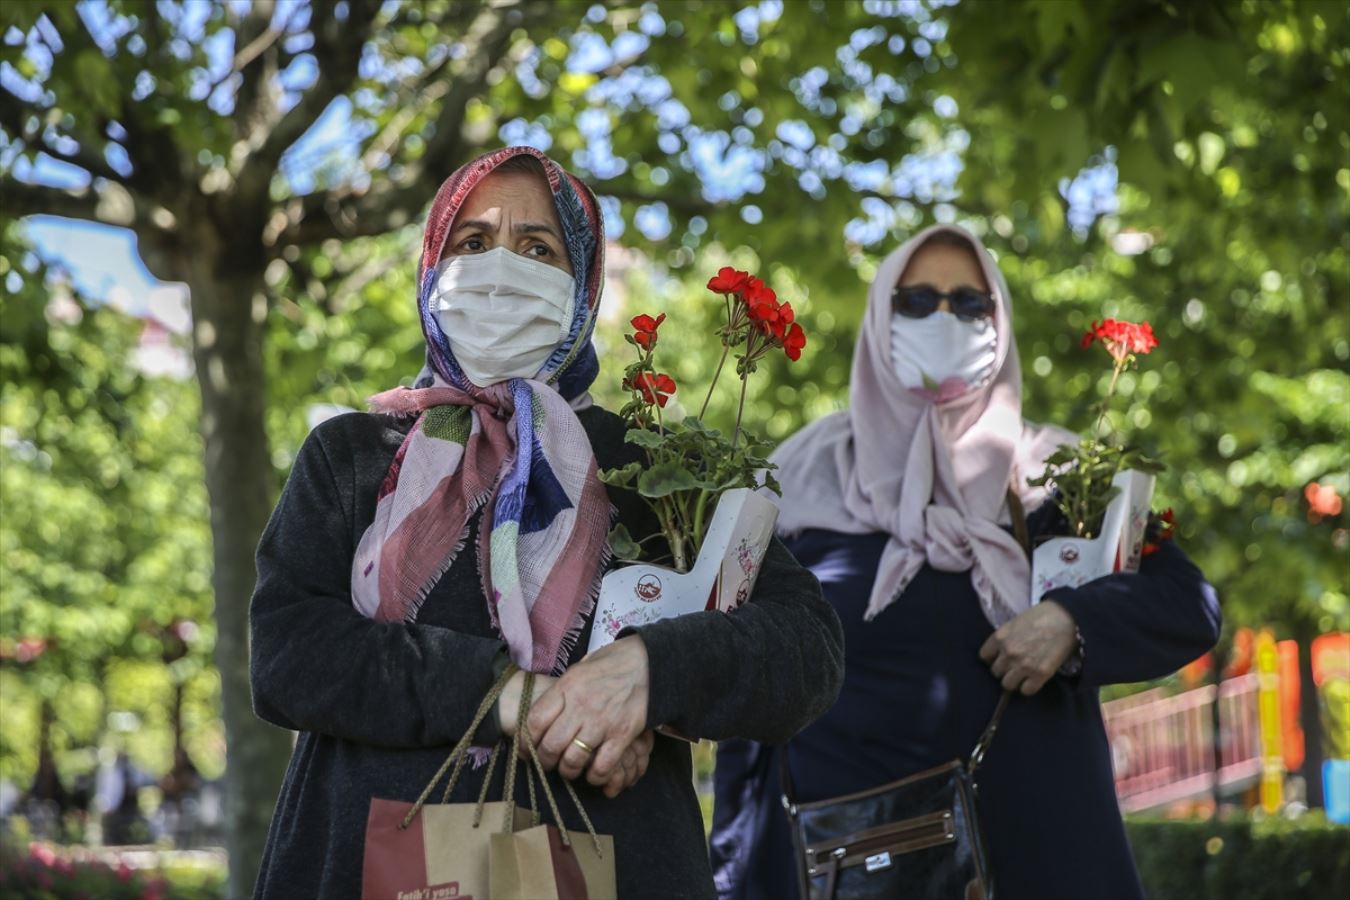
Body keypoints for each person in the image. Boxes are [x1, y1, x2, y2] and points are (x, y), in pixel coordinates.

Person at [248, 146, 844, 899]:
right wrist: (506, 698)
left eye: (538, 247)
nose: (502, 268)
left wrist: (653, 671)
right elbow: (286, 656)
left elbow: (809, 650)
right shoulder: (354, 456)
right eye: (473, 242)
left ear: (582, 284)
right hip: (361, 863)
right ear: (433, 269)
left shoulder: (654, 470)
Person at [710, 225, 1221, 900]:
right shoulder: (801, 477)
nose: (944, 318)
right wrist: (729, 870)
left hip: (1039, 861)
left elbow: (1189, 605)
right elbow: (746, 688)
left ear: (1000, 319)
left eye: (970, 303)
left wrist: (1073, 619)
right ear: (879, 317)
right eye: (916, 301)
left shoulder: (1061, 476)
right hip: (840, 866)